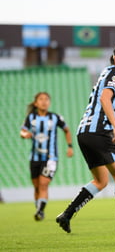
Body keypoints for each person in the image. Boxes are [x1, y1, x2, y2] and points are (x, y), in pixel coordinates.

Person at [56, 42, 115, 233]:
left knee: (101, 181)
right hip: (100, 131)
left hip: (84, 133)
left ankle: (66, 214)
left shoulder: (109, 73)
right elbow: (104, 99)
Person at [20, 92, 74, 221]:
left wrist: (70, 146)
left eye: (46, 99)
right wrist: (24, 134)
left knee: (44, 184)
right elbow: (23, 130)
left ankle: (40, 211)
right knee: (37, 186)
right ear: (36, 103)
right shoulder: (31, 117)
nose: (44, 101)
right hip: (34, 158)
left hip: (51, 157)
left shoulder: (55, 117)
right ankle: (39, 207)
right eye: (41, 99)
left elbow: (66, 130)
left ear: (49, 102)